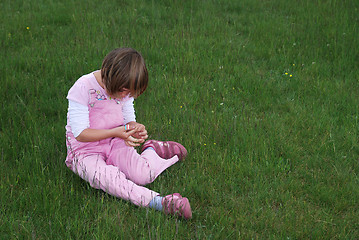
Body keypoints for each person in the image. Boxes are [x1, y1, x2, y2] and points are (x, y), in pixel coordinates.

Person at [65, 47, 192, 219]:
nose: (127, 96)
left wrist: (134, 128)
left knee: (142, 175)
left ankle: (153, 150)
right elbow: (80, 133)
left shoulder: (124, 88)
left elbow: (127, 118)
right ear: (110, 76)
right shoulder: (83, 87)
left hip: (115, 141)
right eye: (125, 91)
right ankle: (160, 202)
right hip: (85, 150)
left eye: (130, 93)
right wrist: (116, 132)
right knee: (105, 177)